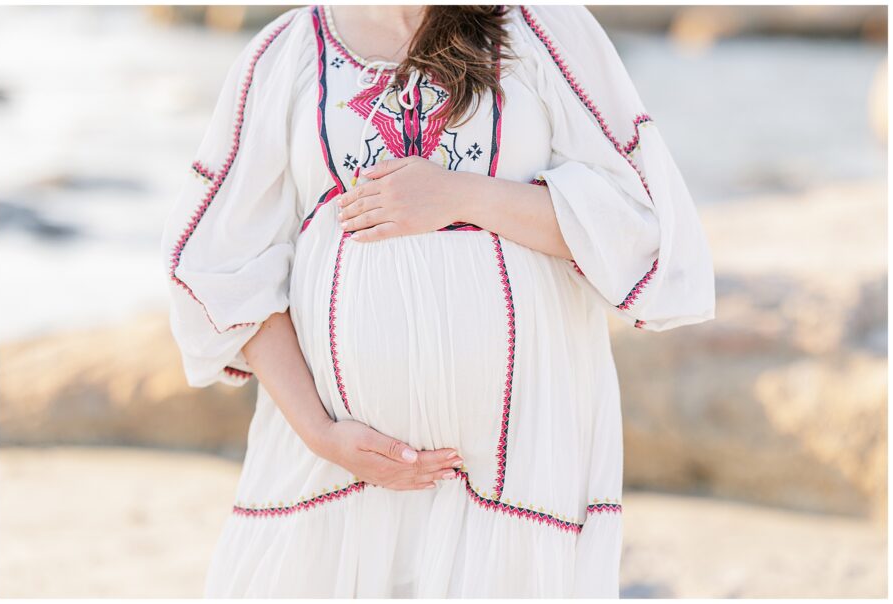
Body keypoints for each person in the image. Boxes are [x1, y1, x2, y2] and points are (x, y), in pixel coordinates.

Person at [160, 4, 715, 598]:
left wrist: (459, 195)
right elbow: (222, 266)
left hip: (517, 469)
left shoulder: (540, 27)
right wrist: (321, 434)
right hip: (332, 476)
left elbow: (643, 228)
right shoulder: (287, 51)